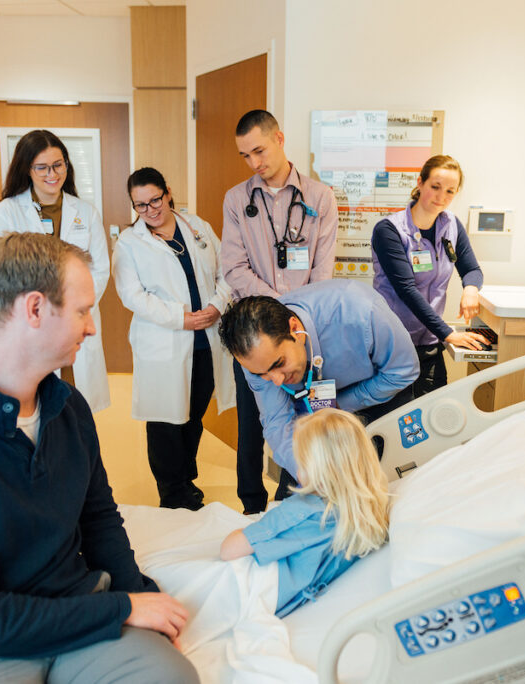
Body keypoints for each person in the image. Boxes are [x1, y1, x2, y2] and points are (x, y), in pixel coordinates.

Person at [0, 233, 197, 684]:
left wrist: (141, 600)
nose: (92, 327)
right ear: (35, 309)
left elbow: (99, 518)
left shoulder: (69, 409)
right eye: (83, 311)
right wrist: (121, 608)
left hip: (73, 613)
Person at [221, 109, 339, 514]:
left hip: (301, 333)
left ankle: (292, 498)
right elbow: (233, 267)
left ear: (280, 139)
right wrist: (277, 305)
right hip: (255, 333)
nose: (255, 163)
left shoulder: (320, 197)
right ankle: (252, 506)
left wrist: (297, 314)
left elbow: (323, 268)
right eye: (245, 156)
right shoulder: (237, 199)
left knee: (310, 414)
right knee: (253, 424)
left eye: (259, 150)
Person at [218, 279, 419, 488]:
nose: (276, 380)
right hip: (308, 407)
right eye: (263, 374)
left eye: (279, 363)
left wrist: (341, 404)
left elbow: (403, 370)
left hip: (380, 392)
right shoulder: (254, 358)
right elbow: (278, 422)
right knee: (301, 491)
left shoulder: (360, 311)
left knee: (388, 484)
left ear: (295, 329)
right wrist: (307, 473)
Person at [113, 167, 235, 510]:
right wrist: (178, 318)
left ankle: (185, 480)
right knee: (166, 418)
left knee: (194, 414)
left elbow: (227, 271)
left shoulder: (198, 227)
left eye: (155, 200)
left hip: (205, 340)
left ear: (168, 192)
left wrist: (216, 305)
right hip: (164, 341)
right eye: (140, 206)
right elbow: (132, 295)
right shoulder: (129, 243)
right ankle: (172, 492)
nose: (151, 210)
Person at [219, 408, 389, 616]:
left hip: (255, 589)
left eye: (300, 461)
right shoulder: (367, 511)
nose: (296, 470)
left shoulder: (304, 512)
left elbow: (228, 550)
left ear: (318, 469)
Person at [0, 129, 111, 413]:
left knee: (75, 406)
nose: (52, 173)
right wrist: (46, 310)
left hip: (75, 323)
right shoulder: (7, 212)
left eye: (58, 165)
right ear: (27, 169)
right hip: (31, 323)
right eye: (41, 167)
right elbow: (0, 272)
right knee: (34, 408)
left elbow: (100, 269)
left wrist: (71, 310)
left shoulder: (86, 211)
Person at [371, 155, 490, 398]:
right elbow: (406, 290)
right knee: (392, 424)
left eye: (450, 191)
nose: (441, 197)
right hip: (392, 345)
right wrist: (448, 334)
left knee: (435, 420)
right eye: (435, 187)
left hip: (429, 343)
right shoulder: (390, 230)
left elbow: (472, 270)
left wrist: (470, 289)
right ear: (420, 183)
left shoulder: (451, 225)